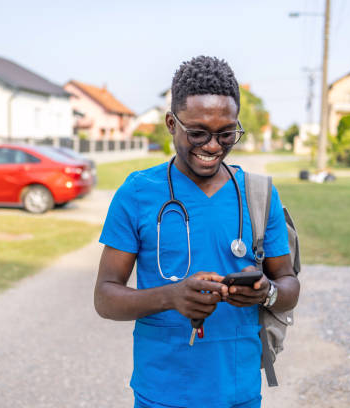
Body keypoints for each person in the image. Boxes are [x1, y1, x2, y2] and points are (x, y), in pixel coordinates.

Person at [94, 56, 300, 408]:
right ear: (171, 123)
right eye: (198, 132)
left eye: (226, 133)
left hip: (239, 390)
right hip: (162, 392)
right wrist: (170, 296)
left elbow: (289, 286)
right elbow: (105, 297)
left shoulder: (259, 194)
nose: (213, 146)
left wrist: (265, 293)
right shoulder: (137, 192)